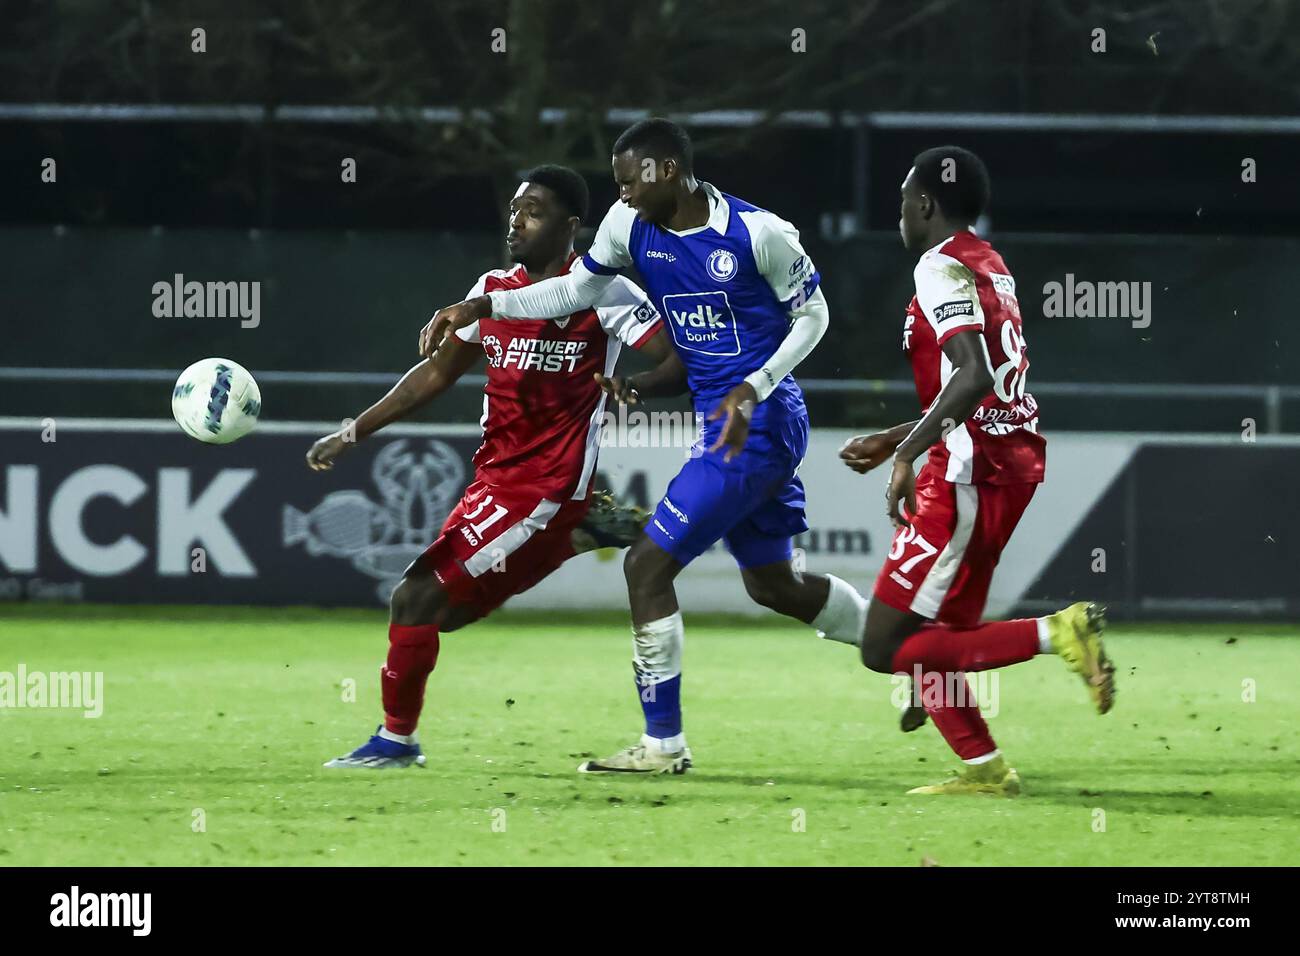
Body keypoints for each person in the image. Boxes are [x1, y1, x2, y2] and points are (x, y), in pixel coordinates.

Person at [421, 120, 871, 775]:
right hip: (727, 422)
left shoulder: (757, 233)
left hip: (760, 420)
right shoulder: (627, 227)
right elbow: (576, 290)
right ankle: (910, 650)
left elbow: (815, 316)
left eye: (630, 179)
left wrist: (755, 384)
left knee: (647, 564)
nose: (623, 192)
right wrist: (485, 306)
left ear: (665, 169)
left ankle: (663, 744)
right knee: (777, 585)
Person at [313, 165, 682, 769]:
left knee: (411, 599)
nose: (517, 220)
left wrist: (635, 383)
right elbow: (436, 373)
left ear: (570, 226)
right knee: (444, 616)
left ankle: (395, 742)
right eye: (514, 208)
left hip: (544, 488)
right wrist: (355, 430)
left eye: (533, 210)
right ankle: (578, 532)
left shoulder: (606, 292)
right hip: (493, 483)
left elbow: (673, 354)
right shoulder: (493, 287)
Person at [840, 146, 1115, 796]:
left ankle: (1057, 631)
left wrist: (906, 456)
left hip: (965, 477)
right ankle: (985, 770)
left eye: (905, 198)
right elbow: (984, 391)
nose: (900, 211)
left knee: (883, 646)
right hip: (1005, 465)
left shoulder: (937, 267)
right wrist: (896, 437)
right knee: (940, 637)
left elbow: (970, 375)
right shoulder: (987, 263)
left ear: (925, 204)